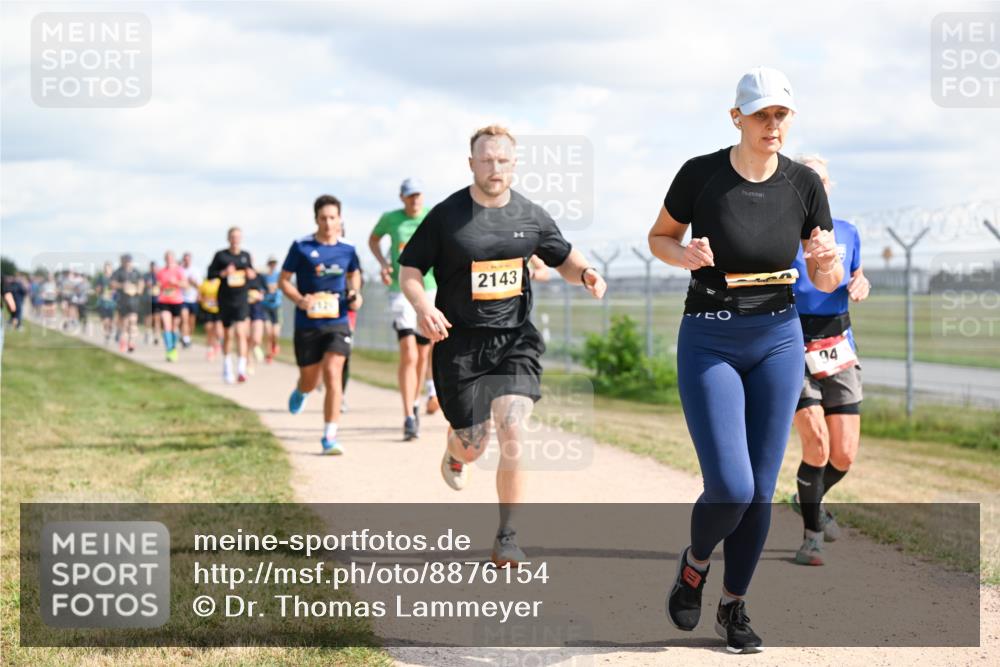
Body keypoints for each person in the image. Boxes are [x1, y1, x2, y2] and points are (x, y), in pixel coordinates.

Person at [648, 67, 841, 653]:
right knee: (730, 486)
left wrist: (826, 259)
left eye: (781, 114)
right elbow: (659, 237)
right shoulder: (700, 174)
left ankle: (734, 607)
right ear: (737, 117)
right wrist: (683, 254)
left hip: (779, 338)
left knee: (760, 489)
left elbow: (824, 273)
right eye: (761, 114)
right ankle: (694, 563)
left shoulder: (805, 184)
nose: (772, 124)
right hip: (710, 337)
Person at [398, 125, 606, 567]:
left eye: (503, 160)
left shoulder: (530, 216)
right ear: (471, 163)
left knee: (514, 428)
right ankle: (457, 451)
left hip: (514, 339)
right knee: (474, 444)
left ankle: (507, 536)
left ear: (515, 164)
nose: (495, 167)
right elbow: (411, 270)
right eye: (486, 160)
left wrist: (585, 273)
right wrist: (421, 307)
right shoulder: (446, 216)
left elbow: (563, 256)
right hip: (458, 343)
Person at [787, 155, 870, 566]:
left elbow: (857, 274)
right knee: (816, 444)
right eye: (803, 179)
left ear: (828, 186)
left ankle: (807, 497)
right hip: (792, 344)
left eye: (818, 180)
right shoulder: (779, 232)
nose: (812, 186)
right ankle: (811, 537)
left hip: (838, 344)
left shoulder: (849, 231)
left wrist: (862, 282)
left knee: (844, 455)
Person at [281, 194, 363, 455]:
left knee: (332, 371)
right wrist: (299, 299)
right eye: (323, 218)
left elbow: (354, 276)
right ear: (316, 219)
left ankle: (329, 436)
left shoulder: (348, 249)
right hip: (308, 323)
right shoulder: (301, 246)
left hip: (337, 321)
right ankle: (301, 390)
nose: (328, 223)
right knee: (310, 379)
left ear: (340, 219)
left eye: (332, 218)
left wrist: (355, 294)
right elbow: (283, 280)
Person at [369, 178, 440, 441]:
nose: (414, 200)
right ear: (402, 198)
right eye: (410, 196)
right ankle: (409, 415)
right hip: (400, 289)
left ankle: (419, 400)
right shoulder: (390, 218)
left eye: (418, 195)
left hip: (429, 288)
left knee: (424, 353)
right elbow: (373, 240)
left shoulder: (433, 216)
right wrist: (383, 265)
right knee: (409, 352)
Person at [208, 227, 256, 383]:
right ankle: (227, 366)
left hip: (241, 299)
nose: (235, 239)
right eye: (233, 237)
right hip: (225, 300)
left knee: (241, 333)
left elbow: (253, 276)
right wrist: (223, 273)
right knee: (228, 335)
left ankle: (241, 369)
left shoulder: (246, 256)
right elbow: (210, 275)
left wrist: (251, 275)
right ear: (228, 238)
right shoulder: (221, 255)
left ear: (241, 239)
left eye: (238, 237)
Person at [156, 251, 187, 362]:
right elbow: (158, 286)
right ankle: (169, 349)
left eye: (171, 258)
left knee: (175, 326)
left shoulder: (179, 270)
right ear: (165, 259)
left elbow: (186, 285)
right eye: (167, 258)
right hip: (164, 300)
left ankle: (173, 347)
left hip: (177, 301)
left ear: (174, 259)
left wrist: (176, 283)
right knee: (166, 324)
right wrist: (158, 286)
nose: (169, 260)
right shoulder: (161, 272)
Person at [111, 254, 143, 353]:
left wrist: (138, 289)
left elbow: (141, 283)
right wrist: (122, 285)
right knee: (124, 323)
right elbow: (112, 284)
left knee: (133, 321)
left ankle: (131, 342)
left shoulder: (136, 272)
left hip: (134, 301)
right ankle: (123, 342)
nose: (127, 262)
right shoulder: (118, 272)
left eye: (129, 261)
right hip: (122, 301)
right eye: (126, 260)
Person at [261, 256, 283, 362]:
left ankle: (275, 345)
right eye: (271, 263)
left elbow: (283, 284)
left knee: (275, 333)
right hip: (265, 306)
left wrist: (275, 287)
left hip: (276, 306)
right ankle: (269, 353)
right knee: (268, 331)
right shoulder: (264, 276)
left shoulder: (279, 275)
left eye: (274, 263)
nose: (272, 265)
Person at [247, 268, 268, 373]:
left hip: (257, 311)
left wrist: (261, 295)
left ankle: (256, 346)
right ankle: (249, 362)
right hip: (245, 311)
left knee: (256, 338)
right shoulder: (243, 277)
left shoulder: (260, 277)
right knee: (247, 338)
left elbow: (266, 290)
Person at [180, 252, 201, 349]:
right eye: (185, 259)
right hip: (182, 298)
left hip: (193, 299)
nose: (186, 261)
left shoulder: (195, 270)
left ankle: (189, 336)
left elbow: (200, 286)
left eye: (188, 259)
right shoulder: (180, 270)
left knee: (191, 322)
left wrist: (193, 283)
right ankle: (185, 339)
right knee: (184, 319)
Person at [198, 276, 223, 360]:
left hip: (219, 309)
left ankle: (218, 343)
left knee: (219, 331)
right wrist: (204, 300)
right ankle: (210, 349)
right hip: (208, 309)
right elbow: (199, 297)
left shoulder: (220, 282)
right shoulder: (205, 283)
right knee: (209, 329)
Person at [94, 262, 117, 344]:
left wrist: (114, 290)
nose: (107, 270)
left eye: (109, 268)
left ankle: (110, 330)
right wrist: (98, 290)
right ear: (104, 269)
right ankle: (106, 334)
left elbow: (118, 288)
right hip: (103, 301)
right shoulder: (100, 278)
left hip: (113, 302)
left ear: (111, 269)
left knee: (111, 320)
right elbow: (97, 288)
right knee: (105, 320)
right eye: (106, 268)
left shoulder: (115, 278)